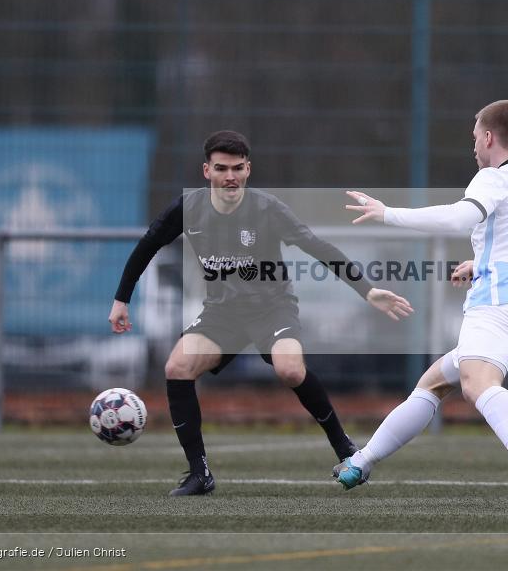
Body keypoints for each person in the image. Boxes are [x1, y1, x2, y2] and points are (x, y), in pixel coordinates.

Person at [109, 130, 413, 496]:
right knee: (176, 368)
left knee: (290, 370)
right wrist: (121, 299)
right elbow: (147, 246)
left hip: (272, 309)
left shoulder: (267, 209)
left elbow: (316, 246)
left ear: (248, 169)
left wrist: (367, 290)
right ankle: (199, 474)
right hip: (222, 314)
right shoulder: (188, 209)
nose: (230, 176)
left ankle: (345, 447)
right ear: (207, 171)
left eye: (237, 168)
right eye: (221, 168)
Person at [333, 100, 508, 510]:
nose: (473, 146)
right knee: (434, 382)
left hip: (497, 308)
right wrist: (480, 263)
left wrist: (388, 215)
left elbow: (459, 219)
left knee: (477, 384)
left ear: (489, 137)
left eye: (475, 137)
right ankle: (360, 463)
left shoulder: (493, 177)